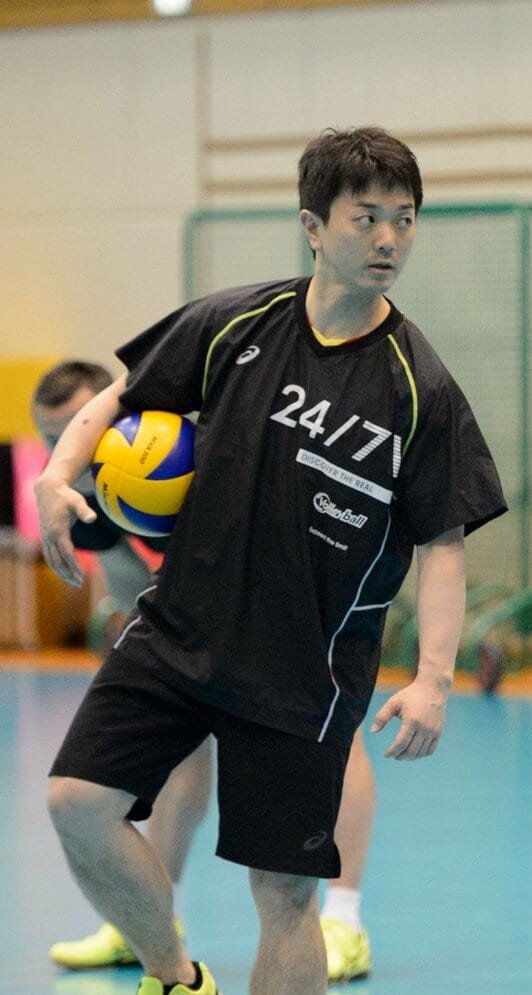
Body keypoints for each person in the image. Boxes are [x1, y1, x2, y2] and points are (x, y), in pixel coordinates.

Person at [36, 126, 507, 995]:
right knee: (76, 802)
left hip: (306, 671)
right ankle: (175, 975)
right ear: (313, 226)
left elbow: (444, 541)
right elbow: (123, 394)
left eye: (405, 219)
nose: (389, 239)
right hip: (179, 631)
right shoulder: (236, 323)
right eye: (366, 218)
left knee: (286, 893)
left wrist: (434, 676)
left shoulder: (420, 388)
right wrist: (59, 476)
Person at [38, 365, 383, 986]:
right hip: (188, 631)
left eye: (75, 429)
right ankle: (144, 921)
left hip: (289, 615)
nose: (72, 449)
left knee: (336, 743)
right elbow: (126, 586)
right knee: (173, 760)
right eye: (52, 437)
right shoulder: (87, 505)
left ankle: (344, 921)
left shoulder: (195, 454)